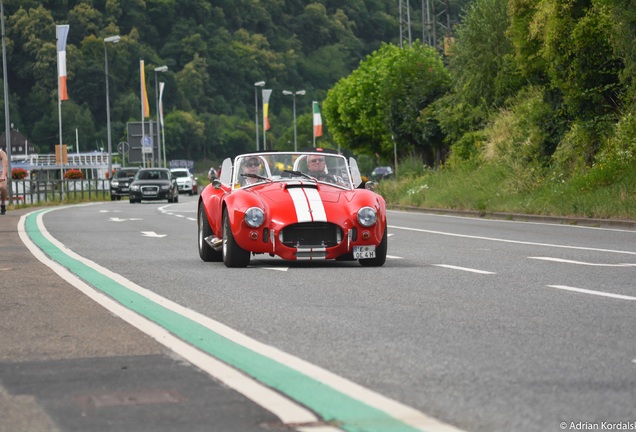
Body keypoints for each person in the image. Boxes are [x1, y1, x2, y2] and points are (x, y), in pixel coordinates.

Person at [0, 148, 7, 215]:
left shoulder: (1, 153)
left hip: (1, 172)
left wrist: (3, 175)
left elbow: (5, 165)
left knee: (3, 187)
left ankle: (3, 204)